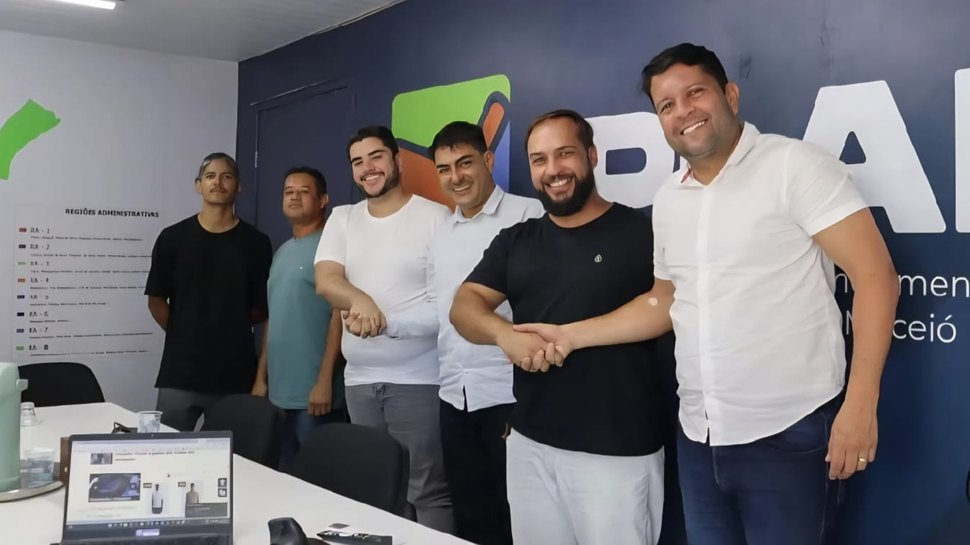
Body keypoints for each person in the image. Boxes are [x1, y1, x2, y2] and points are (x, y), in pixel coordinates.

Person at [515, 43, 899, 545]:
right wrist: (569, 336)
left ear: (730, 95)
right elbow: (664, 301)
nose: (683, 111)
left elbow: (875, 277)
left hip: (789, 434)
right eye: (666, 105)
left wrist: (861, 403)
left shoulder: (794, 165)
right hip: (699, 437)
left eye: (694, 93)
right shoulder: (669, 198)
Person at [450, 110, 667, 545]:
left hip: (615, 453)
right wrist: (504, 335)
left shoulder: (640, 232)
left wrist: (569, 337)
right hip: (530, 445)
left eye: (564, 153)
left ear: (592, 156)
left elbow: (666, 305)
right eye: (539, 159)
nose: (553, 170)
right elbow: (464, 305)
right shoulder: (517, 240)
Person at [314, 126, 454, 532]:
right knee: (374, 489)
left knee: (425, 491)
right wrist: (361, 300)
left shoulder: (436, 218)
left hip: (419, 381)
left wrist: (384, 321)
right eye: (357, 162)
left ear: (397, 160)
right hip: (359, 381)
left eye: (376, 157)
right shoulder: (343, 218)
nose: (367, 168)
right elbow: (327, 281)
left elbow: (445, 306)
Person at [429, 121, 544, 545]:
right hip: (453, 395)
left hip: (509, 395)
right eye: (444, 169)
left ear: (488, 160)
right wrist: (380, 322)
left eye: (465, 163)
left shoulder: (528, 215)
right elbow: (438, 310)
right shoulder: (441, 230)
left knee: (518, 518)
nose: (456, 177)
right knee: (471, 516)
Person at [145, 152, 273, 431]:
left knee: (231, 452)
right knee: (167, 448)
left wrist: (227, 328)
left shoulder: (256, 244)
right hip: (180, 373)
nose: (218, 182)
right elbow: (156, 300)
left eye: (226, 176)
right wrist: (184, 331)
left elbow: (262, 309)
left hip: (235, 374)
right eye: (210, 176)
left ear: (238, 185)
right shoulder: (172, 238)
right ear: (198, 185)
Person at [252, 166, 346, 468]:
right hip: (278, 393)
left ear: (323, 200)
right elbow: (274, 317)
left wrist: (324, 382)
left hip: (316, 396)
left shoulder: (333, 249)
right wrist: (260, 379)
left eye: (304, 192)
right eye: (288, 192)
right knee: (285, 476)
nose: (294, 197)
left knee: (321, 477)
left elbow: (339, 317)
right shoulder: (281, 252)